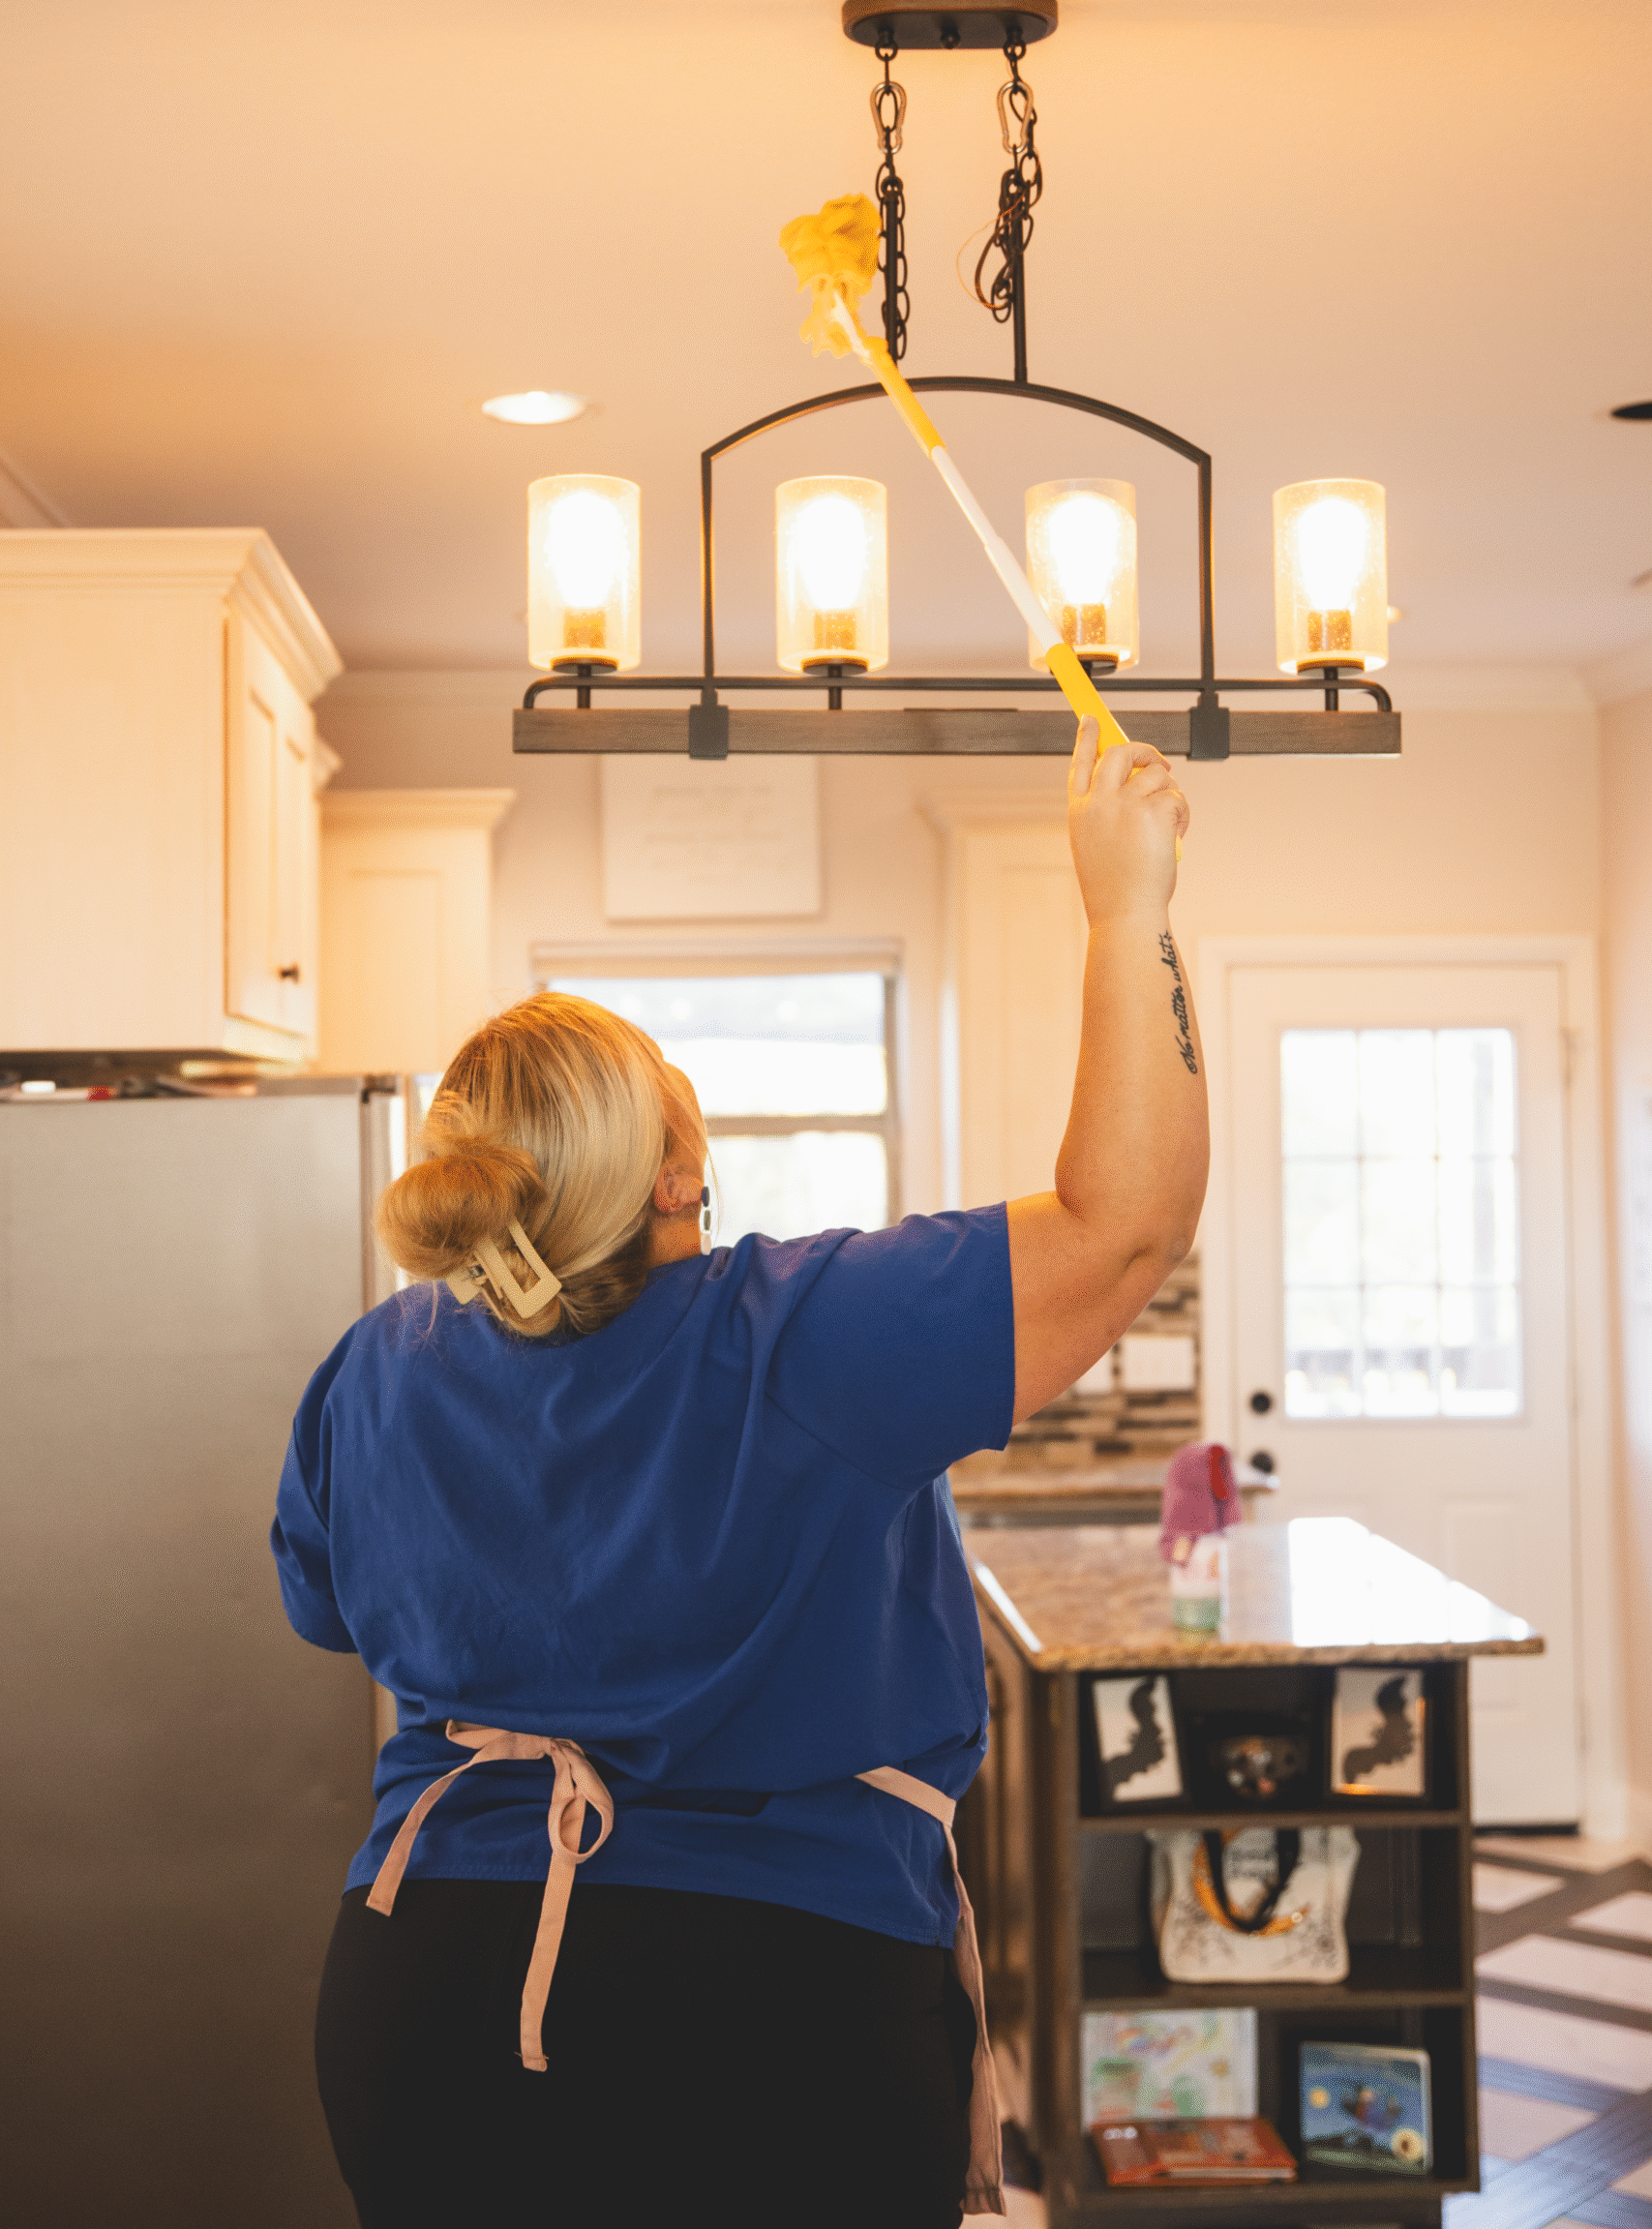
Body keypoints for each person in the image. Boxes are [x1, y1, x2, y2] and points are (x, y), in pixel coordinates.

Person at [272, 724, 1208, 2228]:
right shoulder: (812, 1331)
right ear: (673, 1170)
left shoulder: (373, 1364)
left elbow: (329, 1613)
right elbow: (1127, 1228)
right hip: (778, 2004)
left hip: (428, 1981)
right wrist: (1126, 910)